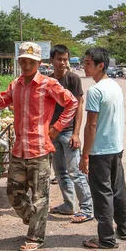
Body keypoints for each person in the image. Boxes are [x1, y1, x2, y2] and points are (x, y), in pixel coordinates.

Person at [0, 41, 78, 251]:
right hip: (19, 150)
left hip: (40, 149)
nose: (26, 65)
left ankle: (35, 237)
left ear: (39, 63)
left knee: (40, 197)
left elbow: (72, 102)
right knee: (13, 193)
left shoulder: (48, 84)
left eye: (30, 62)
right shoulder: (16, 84)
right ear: (19, 62)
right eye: (23, 61)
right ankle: (33, 218)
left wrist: (58, 127)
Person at [79, 47, 126, 249]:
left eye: (88, 63)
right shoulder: (114, 86)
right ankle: (123, 230)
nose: (84, 66)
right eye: (84, 62)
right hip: (116, 147)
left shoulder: (95, 90)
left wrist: (85, 155)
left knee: (102, 194)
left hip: (100, 151)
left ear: (101, 66)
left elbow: (91, 125)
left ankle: (106, 239)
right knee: (118, 190)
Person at [49, 45, 93, 223]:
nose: (62, 63)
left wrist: (76, 133)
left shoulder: (73, 79)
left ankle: (87, 208)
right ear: (51, 60)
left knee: (75, 171)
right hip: (52, 133)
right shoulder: (47, 80)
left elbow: (79, 106)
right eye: (59, 59)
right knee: (60, 172)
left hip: (68, 133)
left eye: (65, 59)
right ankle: (69, 205)